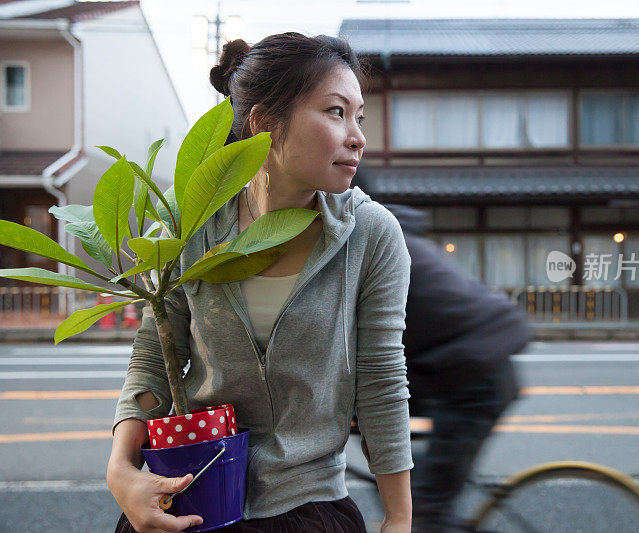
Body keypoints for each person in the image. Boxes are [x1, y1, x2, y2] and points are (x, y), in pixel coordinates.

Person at [107, 33, 414, 533]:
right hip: (189, 496)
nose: (357, 135)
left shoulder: (371, 234)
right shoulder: (191, 224)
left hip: (308, 510)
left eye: (359, 116)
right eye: (336, 112)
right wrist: (121, 470)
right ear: (265, 124)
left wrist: (399, 517)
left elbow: (381, 378)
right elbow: (153, 356)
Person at [352, 191, 532, 532]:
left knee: (426, 510)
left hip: (471, 372)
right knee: (384, 441)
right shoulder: (385, 228)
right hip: (458, 360)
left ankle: (429, 513)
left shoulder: (368, 242)